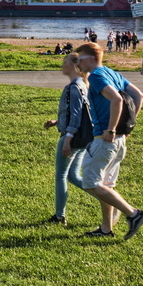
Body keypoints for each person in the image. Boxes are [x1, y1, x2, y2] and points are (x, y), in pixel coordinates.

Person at [74, 42, 143, 240]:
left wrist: (112, 128)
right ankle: (106, 229)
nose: (77, 64)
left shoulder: (96, 76)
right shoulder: (111, 73)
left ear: (90, 58)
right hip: (119, 140)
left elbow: (117, 99)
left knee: (90, 183)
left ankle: (133, 214)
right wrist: (127, 127)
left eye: (79, 59)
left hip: (105, 138)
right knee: (106, 184)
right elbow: (138, 95)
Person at [43, 53, 88, 225]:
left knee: (61, 176)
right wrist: (57, 122)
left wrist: (68, 138)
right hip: (81, 138)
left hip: (71, 138)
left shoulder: (74, 88)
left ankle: (59, 216)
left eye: (65, 62)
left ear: (74, 66)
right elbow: (77, 113)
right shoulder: (82, 85)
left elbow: (76, 116)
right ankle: (107, 198)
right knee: (73, 176)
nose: (62, 65)